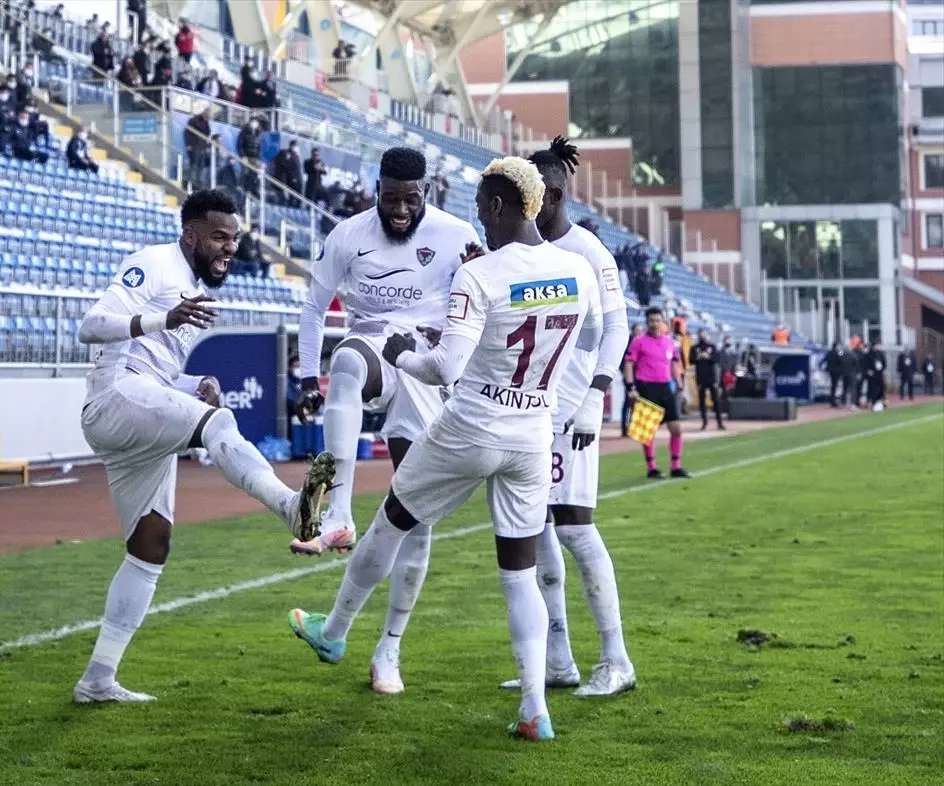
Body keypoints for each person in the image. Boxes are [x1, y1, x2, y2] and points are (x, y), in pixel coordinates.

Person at [287, 156, 603, 740]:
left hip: (469, 425)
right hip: (532, 435)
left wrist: (405, 351)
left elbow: (444, 366)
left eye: (483, 208)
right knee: (519, 572)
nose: (477, 219)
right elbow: (587, 340)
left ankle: (334, 631)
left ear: (501, 207)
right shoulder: (576, 271)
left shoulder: (480, 274)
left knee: (392, 523)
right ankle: (535, 707)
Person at [73, 189, 336, 703]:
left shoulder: (193, 285)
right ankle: (290, 507)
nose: (229, 248)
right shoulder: (153, 263)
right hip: (114, 398)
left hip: (137, 404)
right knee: (220, 425)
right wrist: (162, 319)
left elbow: (157, 369)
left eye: (234, 239)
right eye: (219, 237)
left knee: (150, 547)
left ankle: (97, 680)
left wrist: (194, 384)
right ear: (190, 234)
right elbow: (91, 327)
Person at [291, 147, 480, 693]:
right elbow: (314, 306)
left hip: (426, 364)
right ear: (375, 189)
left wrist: (475, 275)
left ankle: (389, 649)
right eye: (390, 197)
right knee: (346, 361)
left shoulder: (456, 235)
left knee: (414, 516)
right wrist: (308, 376)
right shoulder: (349, 234)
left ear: (428, 193)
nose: (399, 209)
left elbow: (482, 306)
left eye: (410, 199)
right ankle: (339, 513)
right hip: (374, 345)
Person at [497, 137, 634, 698]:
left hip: (570, 410)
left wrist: (595, 396)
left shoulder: (589, 252)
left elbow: (616, 329)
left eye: (526, 193)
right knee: (542, 530)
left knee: (576, 528)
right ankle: (558, 659)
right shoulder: (524, 251)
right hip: (532, 408)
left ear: (548, 195)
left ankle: (617, 658)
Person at [624, 306, 688, 479]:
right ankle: (651, 467)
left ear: (663, 322)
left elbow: (674, 363)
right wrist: (631, 387)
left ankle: (676, 466)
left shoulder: (669, 342)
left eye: (657, 320)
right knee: (647, 431)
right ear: (647, 322)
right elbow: (629, 364)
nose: (654, 323)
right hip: (646, 387)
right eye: (651, 320)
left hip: (666, 388)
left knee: (676, 429)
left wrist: (679, 384)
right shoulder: (638, 341)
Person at [691, 329, 724, 430]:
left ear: (707, 336)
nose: (702, 337)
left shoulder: (712, 347)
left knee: (716, 400)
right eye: (700, 335)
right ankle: (704, 422)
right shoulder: (695, 348)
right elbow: (691, 360)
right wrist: (699, 357)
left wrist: (708, 356)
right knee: (702, 401)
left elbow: (717, 359)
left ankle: (719, 422)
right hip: (700, 377)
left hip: (711, 377)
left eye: (704, 335)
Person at [620, 323, 642, 436]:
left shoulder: (640, 343)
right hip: (629, 377)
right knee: (628, 402)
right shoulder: (627, 344)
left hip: (639, 377)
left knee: (637, 402)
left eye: (640, 331)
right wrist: (625, 375)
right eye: (637, 330)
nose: (639, 333)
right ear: (632, 331)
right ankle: (624, 427)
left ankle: (634, 426)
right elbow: (623, 362)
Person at [822, 341, 847, 407]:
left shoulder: (829, 352)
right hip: (836, 372)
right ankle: (833, 400)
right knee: (834, 386)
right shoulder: (838, 352)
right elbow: (841, 360)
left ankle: (832, 400)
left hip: (831, 371)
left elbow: (824, 360)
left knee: (833, 386)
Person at [866, 341, 886, 411]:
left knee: (881, 389)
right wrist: (868, 371)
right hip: (872, 375)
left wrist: (882, 369)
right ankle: (873, 403)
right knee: (873, 389)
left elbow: (884, 363)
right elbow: (866, 364)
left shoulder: (880, 354)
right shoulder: (869, 354)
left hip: (879, 374)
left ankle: (881, 402)